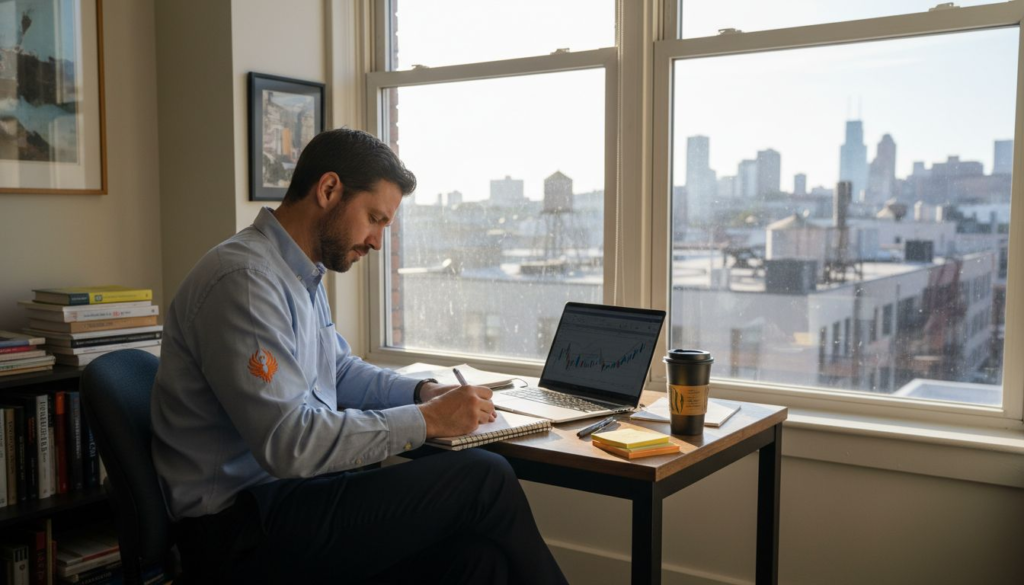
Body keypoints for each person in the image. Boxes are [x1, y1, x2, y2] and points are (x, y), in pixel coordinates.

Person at [151, 128, 567, 584]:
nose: (377, 242)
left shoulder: (299, 273)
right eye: (375, 219)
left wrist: (424, 392)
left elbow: (339, 370)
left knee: (476, 561)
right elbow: (290, 443)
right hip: (239, 531)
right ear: (329, 190)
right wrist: (427, 420)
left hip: (291, 502)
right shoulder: (246, 282)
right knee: (484, 478)